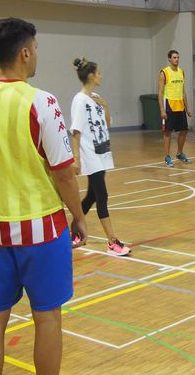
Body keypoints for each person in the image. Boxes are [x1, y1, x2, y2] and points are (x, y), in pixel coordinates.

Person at [0, 18, 88, 375]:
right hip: (40, 229)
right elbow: (63, 172)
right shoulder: (42, 101)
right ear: (26, 52)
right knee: (47, 318)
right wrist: (78, 215)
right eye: (36, 48)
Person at [71, 57, 131, 256]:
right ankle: (112, 242)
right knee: (102, 196)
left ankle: (73, 232)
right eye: (98, 73)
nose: (101, 76)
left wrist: (105, 105)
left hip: (102, 151)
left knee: (92, 196)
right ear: (91, 76)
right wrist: (77, 158)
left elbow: (107, 124)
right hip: (90, 155)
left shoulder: (95, 96)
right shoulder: (79, 100)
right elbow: (77, 131)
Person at [158, 49, 192, 166]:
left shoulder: (181, 72)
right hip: (169, 105)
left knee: (184, 130)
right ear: (169, 59)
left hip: (180, 105)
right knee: (168, 132)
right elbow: (160, 93)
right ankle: (167, 157)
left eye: (177, 57)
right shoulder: (164, 73)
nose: (176, 59)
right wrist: (162, 109)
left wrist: (187, 108)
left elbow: (183, 91)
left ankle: (179, 153)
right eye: (174, 57)